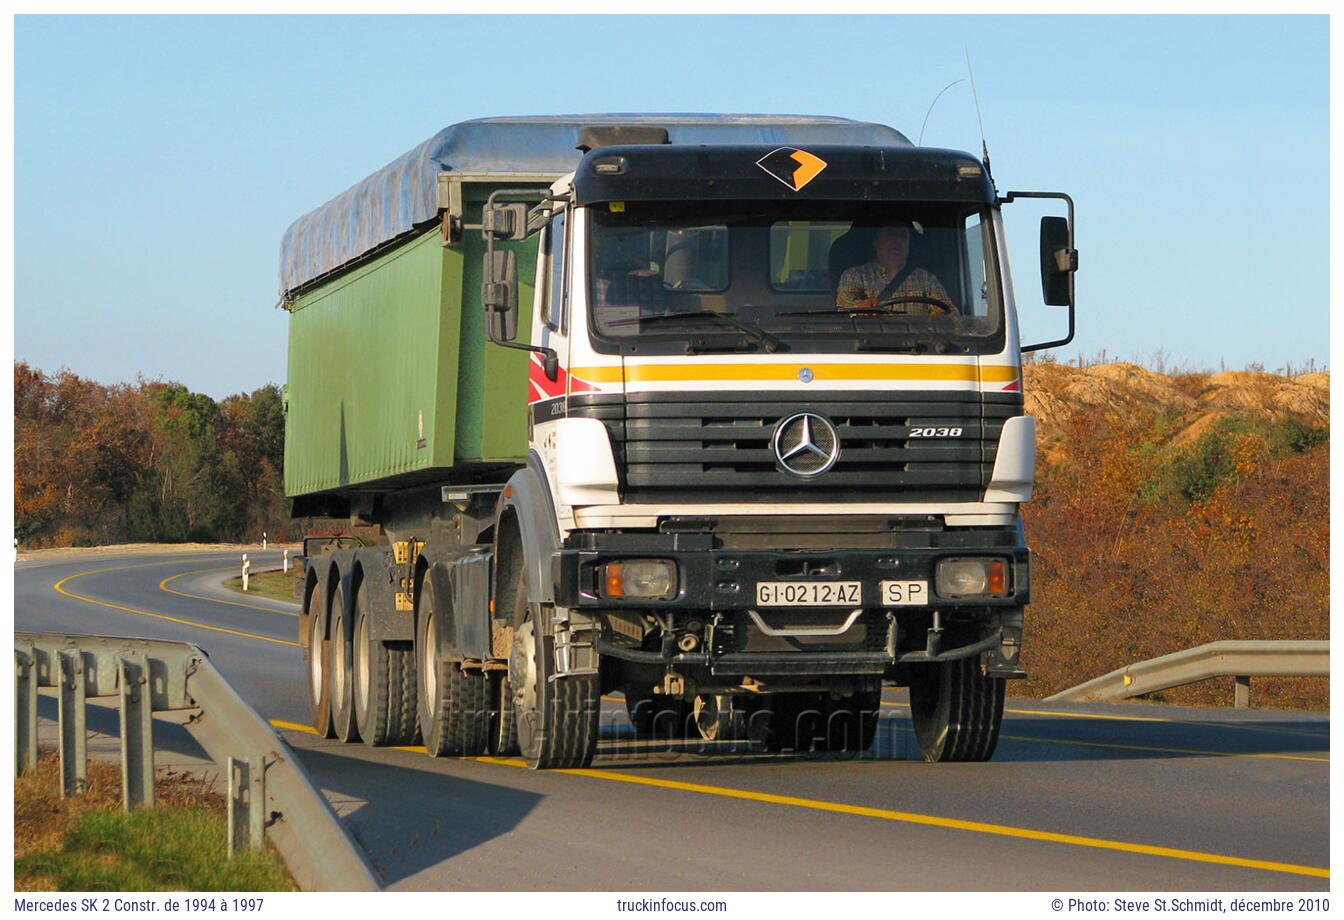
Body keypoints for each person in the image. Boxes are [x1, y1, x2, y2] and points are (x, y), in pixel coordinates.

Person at [835, 222, 955, 314]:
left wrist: (938, 319)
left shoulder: (926, 279)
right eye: (890, 233)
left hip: (919, 344)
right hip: (868, 345)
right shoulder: (854, 275)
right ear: (876, 242)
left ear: (909, 244)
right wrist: (860, 308)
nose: (897, 240)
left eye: (903, 235)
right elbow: (844, 306)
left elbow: (950, 312)